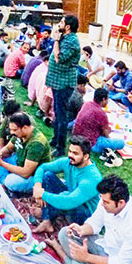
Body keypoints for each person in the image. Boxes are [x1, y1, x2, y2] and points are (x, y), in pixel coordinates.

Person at [32, 136, 103, 234]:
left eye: (75, 153)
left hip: (85, 213)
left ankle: (54, 212)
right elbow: (43, 167)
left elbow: (70, 201)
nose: (70, 155)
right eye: (70, 151)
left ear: (86, 156)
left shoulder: (92, 178)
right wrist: (37, 186)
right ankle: (47, 221)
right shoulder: (68, 162)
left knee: (64, 198)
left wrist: (42, 194)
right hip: (71, 196)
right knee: (47, 176)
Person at [46, 15, 81, 157]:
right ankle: (55, 139)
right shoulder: (64, 37)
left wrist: (55, 40)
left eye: (61, 22)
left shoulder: (72, 41)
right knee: (56, 111)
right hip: (57, 81)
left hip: (64, 83)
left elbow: (58, 58)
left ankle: (60, 147)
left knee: (61, 115)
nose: (58, 24)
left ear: (67, 27)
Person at [0, 113, 51, 193]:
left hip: (35, 176)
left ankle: (6, 183)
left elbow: (26, 173)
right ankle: (4, 182)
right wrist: (0, 153)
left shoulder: (36, 143)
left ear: (24, 128)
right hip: (20, 162)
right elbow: (8, 148)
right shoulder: (19, 134)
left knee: (11, 181)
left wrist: (1, 163)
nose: (11, 132)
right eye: (11, 129)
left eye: (14, 130)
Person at [74, 88, 126, 154]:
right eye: (107, 99)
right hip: (91, 143)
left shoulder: (87, 104)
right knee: (121, 143)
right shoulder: (101, 113)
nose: (107, 102)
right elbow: (106, 133)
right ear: (103, 99)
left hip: (78, 136)